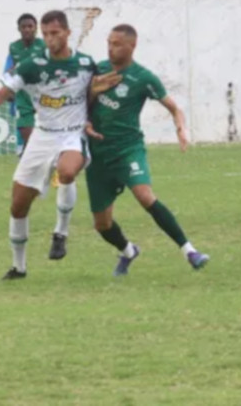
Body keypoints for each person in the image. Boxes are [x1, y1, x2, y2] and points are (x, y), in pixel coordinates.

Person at [0, 10, 120, 279]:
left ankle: (60, 233)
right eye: (46, 34)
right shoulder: (31, 65)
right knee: (18, 205)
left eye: (55, 33)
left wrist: (94, 117)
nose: (50, 39)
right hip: (42, 135)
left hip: (72, 134)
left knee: (67, 171)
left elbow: (95, 93)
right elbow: (2, 94)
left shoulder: (86, 64)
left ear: (67, 33)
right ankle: (19, 267)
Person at [85, 24, 210, 276]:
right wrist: (90, 99)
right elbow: (80, 105)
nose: (111, 48)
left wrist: (180, 128)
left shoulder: (143, 78)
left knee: (145, 196)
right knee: (102, 224)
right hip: (98, 154)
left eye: (117, 43)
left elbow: (173, 107)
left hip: (127, 149)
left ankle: (190, 251)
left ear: (132, 46)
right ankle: (129, 250)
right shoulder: (98, 70)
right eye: (109, 42)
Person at [5, 13, 47, 155]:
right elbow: (12, 69)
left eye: (30, 26)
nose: (27, 29)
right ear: (19, 29)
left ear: (36, 28)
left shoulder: (43, 45)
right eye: (24, 27)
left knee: (48, 136)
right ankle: (28, 154)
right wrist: (8, 87)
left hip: (43, 94)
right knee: (29, 141)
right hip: (24, 96)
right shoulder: (14, 47)